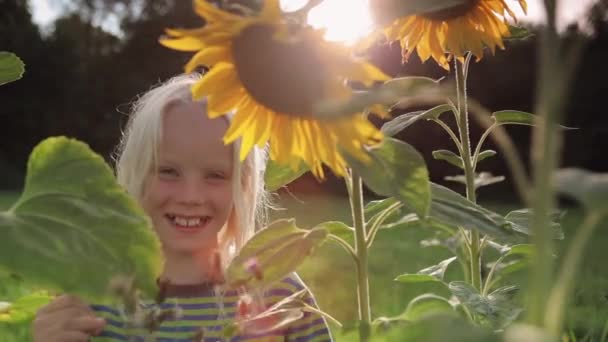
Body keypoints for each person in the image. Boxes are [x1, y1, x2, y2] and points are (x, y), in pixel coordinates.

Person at [32, 73, 332, 341]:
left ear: (243, 184)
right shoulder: (94, 300)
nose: (190, 196)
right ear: (136, 174)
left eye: (215, 175)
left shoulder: (278, 292)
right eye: (168, 171)